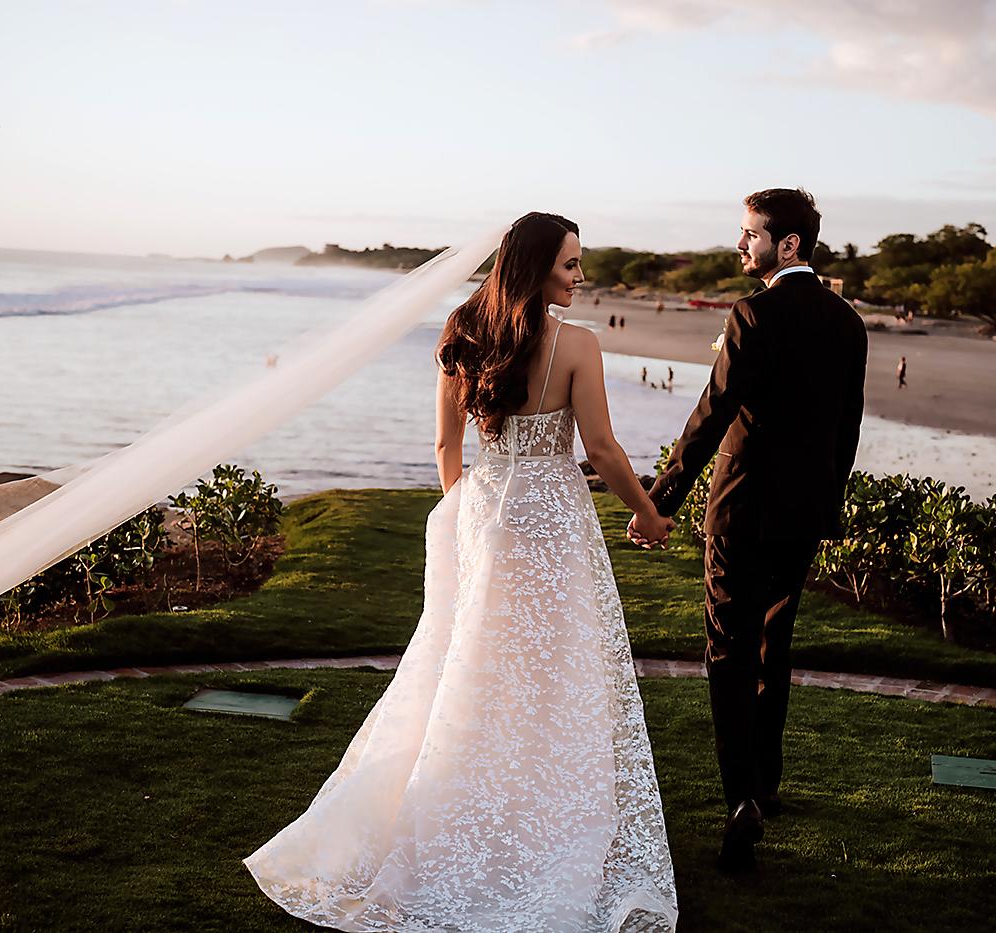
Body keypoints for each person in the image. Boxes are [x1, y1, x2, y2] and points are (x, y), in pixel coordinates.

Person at [245, 213, 679, 931]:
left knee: (471, 668)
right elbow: (598, 446)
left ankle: (461, 802)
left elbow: (446, 444)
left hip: (483, 508)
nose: (580, 276)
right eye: (570, 265)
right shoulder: (577, 344)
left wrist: (468, 520)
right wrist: (650, 513)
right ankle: (532, 814)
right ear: (538, 267)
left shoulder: (463, 330)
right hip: (548, 519)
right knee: (548, 672)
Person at [636, 188, 867, 873]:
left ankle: (742, 801)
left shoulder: (753, 314)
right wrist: (829, 499)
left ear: (787, 244)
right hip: (806, 511)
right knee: (775, 640)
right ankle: (767, 780)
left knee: (728, 651)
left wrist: (663, 496)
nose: (741, 246)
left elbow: (712, 414)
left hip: (743, 507)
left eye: (750, 235)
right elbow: (846, 429)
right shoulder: (848, 322)